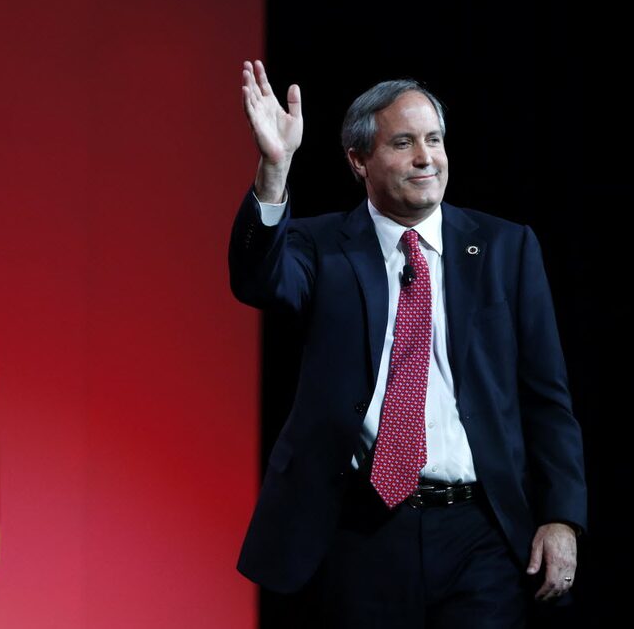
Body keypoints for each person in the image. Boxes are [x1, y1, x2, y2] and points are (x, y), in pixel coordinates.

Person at [229, 59, 587, 628]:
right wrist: (274, 170)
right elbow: (257, 280)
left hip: (481, 531)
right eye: (403, 143)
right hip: (360, 531)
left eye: (434, 140)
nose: (426, 158)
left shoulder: (506, 248)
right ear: (359, 161)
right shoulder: (323, 246)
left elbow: (547, 396)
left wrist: (562, 516)